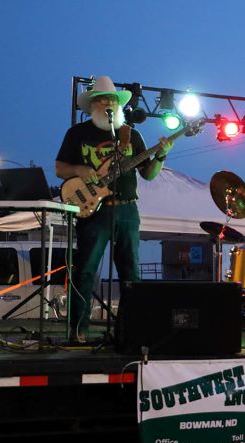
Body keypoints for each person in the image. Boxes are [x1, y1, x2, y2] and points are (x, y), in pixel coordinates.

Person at [56, 76, 173, 342]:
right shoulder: (78, 133)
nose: (107, 103)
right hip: (93, 210)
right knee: (85, 270)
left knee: (131, 273)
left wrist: (162, 155)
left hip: (127, 210)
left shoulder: (131, 134)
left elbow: (149, 175)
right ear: (92, 105)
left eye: (111, 100)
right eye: (101, 100)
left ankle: (130, 331)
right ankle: (79, 331)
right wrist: (80, 170)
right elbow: (60, 168)